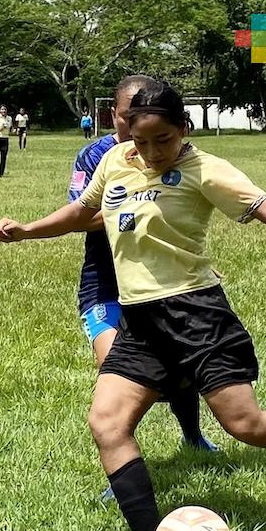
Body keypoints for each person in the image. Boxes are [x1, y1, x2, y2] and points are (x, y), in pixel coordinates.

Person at [0, 81, 266, 531]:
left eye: (161, 140)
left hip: (197, 315)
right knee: (107, 422)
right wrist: (27, 231)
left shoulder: (206, 168)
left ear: (183, 129)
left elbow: (265, 208)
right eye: (140, 142)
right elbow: (83, 211)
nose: (150, 152)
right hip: (141, 323)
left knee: (246, 425)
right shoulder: (115, 161)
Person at [69, 76, 216, 505]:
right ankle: (122, 475)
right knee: (115, 374)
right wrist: (132, 205)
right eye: (125, 116)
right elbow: (82, 212)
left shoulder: (171, 153)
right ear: (114, 114)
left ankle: (193, 436)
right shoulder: (96, 155)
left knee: (179, 372)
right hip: (104, 285)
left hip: (163, 285)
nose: (134, 126)